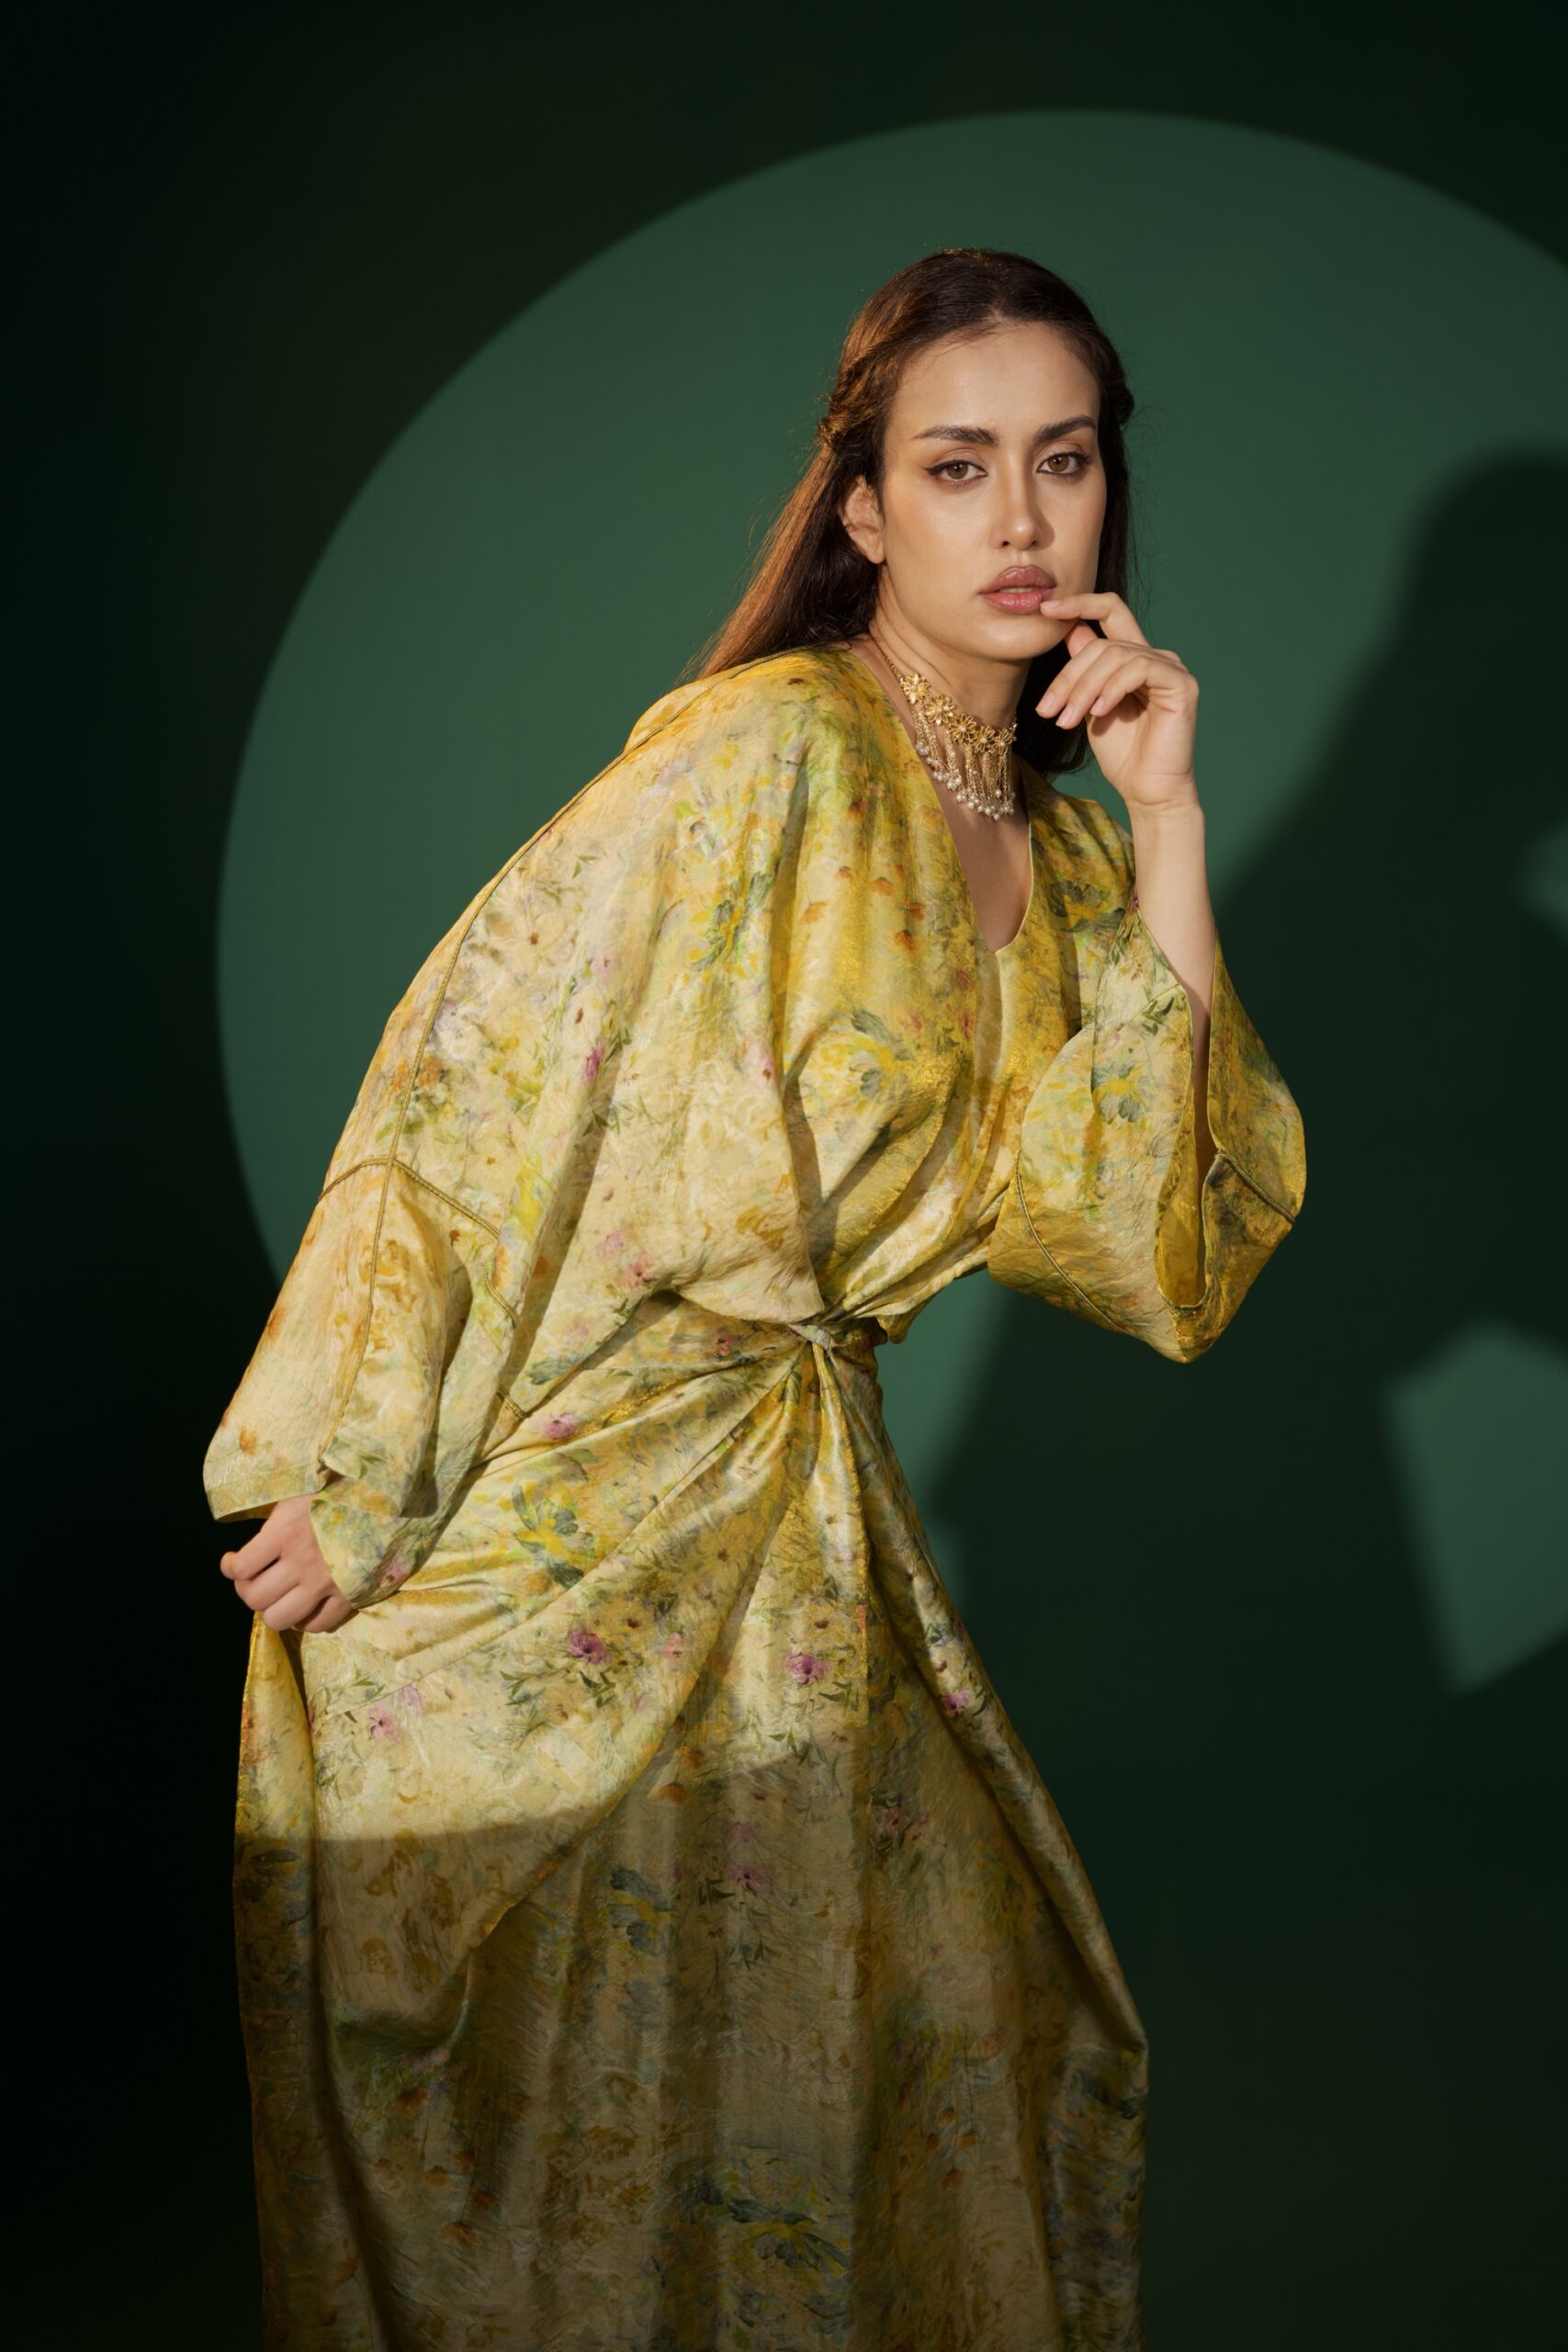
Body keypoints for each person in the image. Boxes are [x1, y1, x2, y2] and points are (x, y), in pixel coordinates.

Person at [206, 245, 1306, 2350]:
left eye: (1062, 460)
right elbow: (479, 1068)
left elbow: (1147, 1235)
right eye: (956, 466)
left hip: (804, 1528)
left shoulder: (1069, 855)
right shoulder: (763, 748)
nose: (1019, 518)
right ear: (861, 507)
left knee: (849, 2083)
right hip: (556, 1509)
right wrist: (353, 1450)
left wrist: (1164, 816)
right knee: (571, 2114)